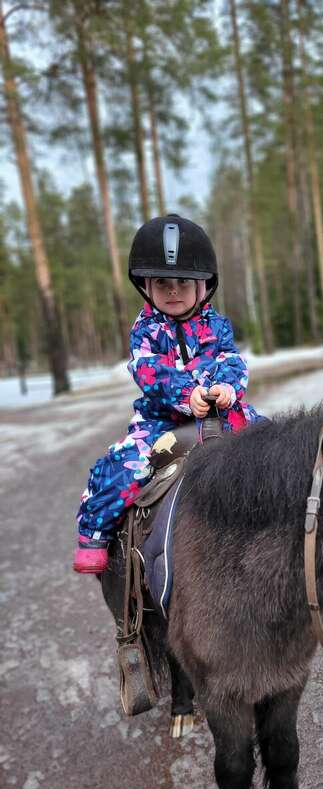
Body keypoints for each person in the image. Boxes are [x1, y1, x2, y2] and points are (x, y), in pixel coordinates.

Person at [73, 213, 262, 574]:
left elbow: (231, 359)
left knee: (271, 441)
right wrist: (185, 393)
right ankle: (94, 533)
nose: (173, 290)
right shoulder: (144, 330)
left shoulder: (216, 325)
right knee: (121, 465)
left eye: (183, 281)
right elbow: (148, 370)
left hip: (219, 411)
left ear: (203, 286)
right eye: (162, 282)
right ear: (147, 286)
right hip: (161, 418)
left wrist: (227, 388)